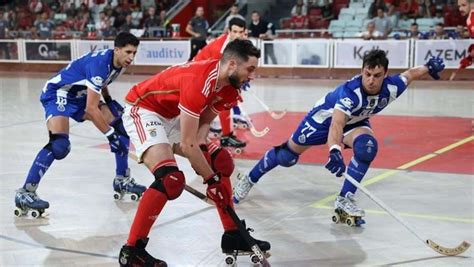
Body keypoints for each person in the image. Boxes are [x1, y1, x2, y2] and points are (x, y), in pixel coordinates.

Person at [233, 50, 445, 219]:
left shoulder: (392, 87)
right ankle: (249, 179)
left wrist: (428, 67)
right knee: (287, 156)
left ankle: (345, 199)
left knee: (367, 148)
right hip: (322, 121)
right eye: (367, 74)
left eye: (377, 76)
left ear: (385, 75)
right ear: (362, 71)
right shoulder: (351, 93)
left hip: (356, 122)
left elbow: (410, 74)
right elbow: (337, 123)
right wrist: (334, 150)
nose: (371, 80)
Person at [118, 39, 270, 266]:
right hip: (144, 110)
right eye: (250, 69)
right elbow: (189, 144)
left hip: (175, 114)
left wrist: (213, 173)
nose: (252, 75)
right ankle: (131, 251)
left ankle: (232, 235)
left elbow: (201, 132)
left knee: (222, 162)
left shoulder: (229, 89)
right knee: (170, 179)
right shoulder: (199, 81)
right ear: (231, 64)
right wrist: (210, 179)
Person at [14, 32, 145, 218]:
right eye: (128, 52)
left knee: (120, 125)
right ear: (116, 50)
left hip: (79, 94)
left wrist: (108, 100)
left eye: (134, 53)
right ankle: (25, 193)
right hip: (59, 92)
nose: (131, 57)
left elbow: (102, 81)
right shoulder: (100, 64)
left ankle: (122, 179)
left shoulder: (118, 62)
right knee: (60, 145)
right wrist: (109, 136)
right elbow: (92, 108)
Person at [192, 18, 248, 150]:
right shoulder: (220, 48)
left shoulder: (239, 43)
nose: (238, 35)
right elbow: (220, 73)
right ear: (229, 31)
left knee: (225, 101)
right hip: (198, 73)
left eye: (241, 32)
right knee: (222, 100)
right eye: (234, 31)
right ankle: (221, 135)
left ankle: (225, 135)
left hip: (212, 71)